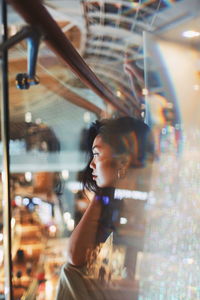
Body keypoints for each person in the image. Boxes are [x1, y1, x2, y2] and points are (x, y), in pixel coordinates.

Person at [56, 116, 154, 300]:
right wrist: (104, 191)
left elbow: (73, 260)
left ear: (123, 161)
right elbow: (75, 256)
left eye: (97, 154)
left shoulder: (145, 208)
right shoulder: (116, 203)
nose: (91, 164)